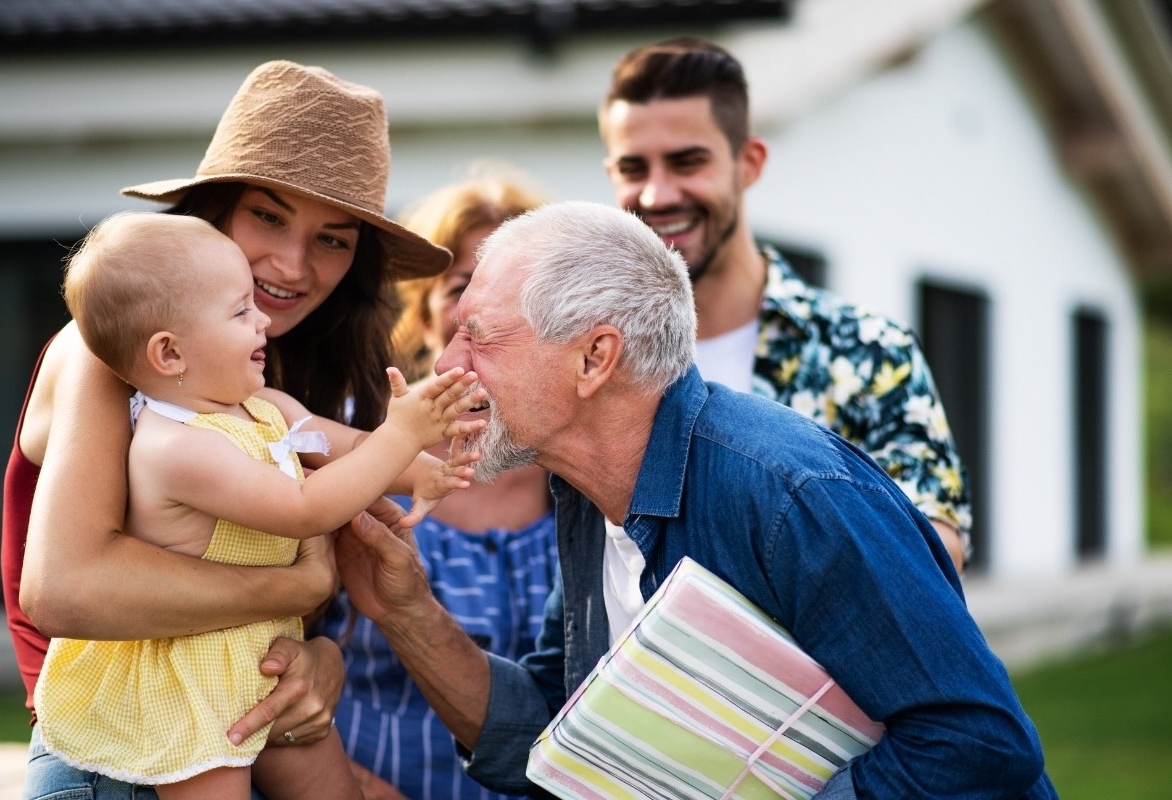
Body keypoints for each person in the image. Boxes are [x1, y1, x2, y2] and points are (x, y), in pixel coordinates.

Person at [335, 201, 1058, 798]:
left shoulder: (789, 495)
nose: (448, 363)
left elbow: (980, 742)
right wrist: (407, 612)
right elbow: (557, 733)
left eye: (479, 337)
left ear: (595, 358)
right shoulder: (585, 494)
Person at [2, 60, 453, 799]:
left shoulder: (284, 369)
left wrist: (322, 661)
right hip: (117, 751)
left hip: (245, 722)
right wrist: (298, 582)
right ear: (212, 211)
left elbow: (321, 590)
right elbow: (64, 590)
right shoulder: (109, 352)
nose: (290, 264)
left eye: (334, 240)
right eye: (267, 217)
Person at [33, 211, 485, 799]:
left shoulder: (257, 402)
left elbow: (335, 446)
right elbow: (302, 507)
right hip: (192, 672)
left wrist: (420, 469)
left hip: (261, 654)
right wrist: (402, 433)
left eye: (330, 238)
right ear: (169, 354)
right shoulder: (175, 446)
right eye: (241, 311)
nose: (264, 320)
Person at [597, 36, 973, 571]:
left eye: (687, 162)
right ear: (612, 174)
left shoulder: (868, 353)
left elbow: (933, 557)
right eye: (635, 169)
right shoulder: (592, 360)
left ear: (749, 163)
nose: (657, 195)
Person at [315, 170, 557, 800]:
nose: (486, 311)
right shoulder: (346, 448)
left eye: (519, 292)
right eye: (462, 289)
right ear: (424, 315)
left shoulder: (579, 480)